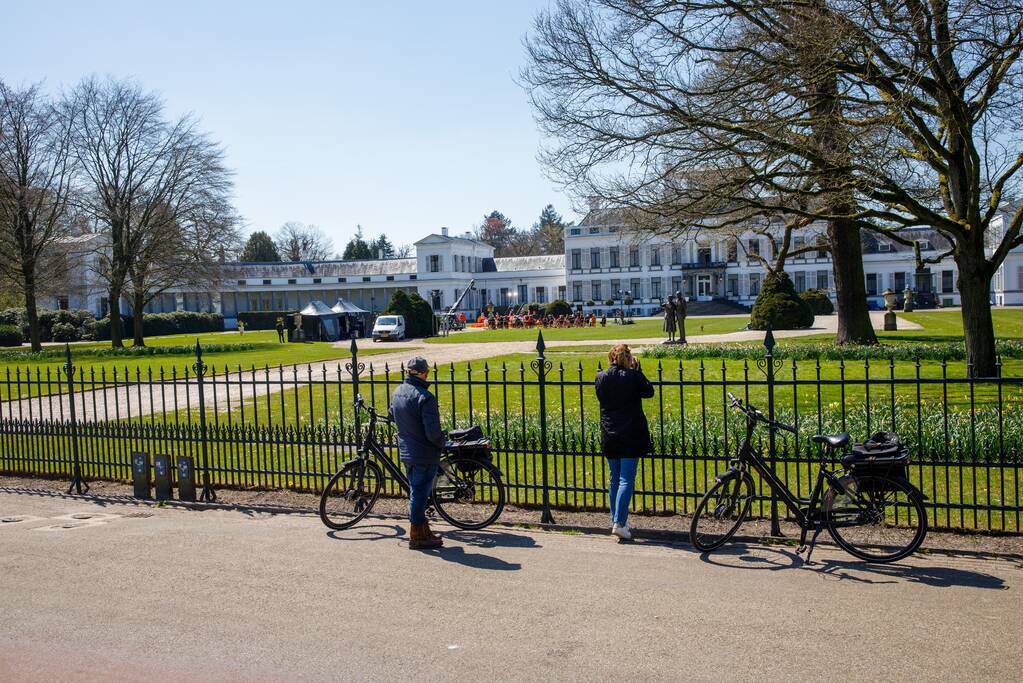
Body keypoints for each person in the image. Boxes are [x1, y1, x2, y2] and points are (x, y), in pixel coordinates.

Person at [594, 344, 655, 541]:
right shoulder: (633, 376)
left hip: (610, 433)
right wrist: (638, 372)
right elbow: (649, 392)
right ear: (628, 359)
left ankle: (616, 520)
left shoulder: (600, 377)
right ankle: (620, 523)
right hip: (630, 433)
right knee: (626, 479)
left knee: (614, 478)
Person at [389, 356, 446, 550]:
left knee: (417, 490)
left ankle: (423, 530)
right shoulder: (425, 397)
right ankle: (417, 535)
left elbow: (392, 415)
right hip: (424, 452)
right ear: (422, 373)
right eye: (427, 372)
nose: (428, 375)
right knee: (420, 493)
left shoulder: (397, 392)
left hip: (407, 450)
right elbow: (432, 432)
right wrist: (441, 443)